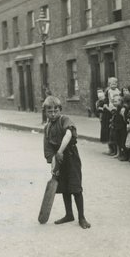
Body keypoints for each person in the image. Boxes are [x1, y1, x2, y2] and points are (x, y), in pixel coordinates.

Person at [43, 96, 91, 229]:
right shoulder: (47, 128)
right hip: (59, 162)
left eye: (55, 111)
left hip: (71, 158)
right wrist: (54, 165)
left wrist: (60, 151)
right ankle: (69, 214)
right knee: (64, 188)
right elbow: (48, 151)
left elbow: (69, 134)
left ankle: (82, 217)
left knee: (76, 188)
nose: (53, 114)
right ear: (45, 112)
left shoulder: (64, 120)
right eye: (49, 111)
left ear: (60, 110)